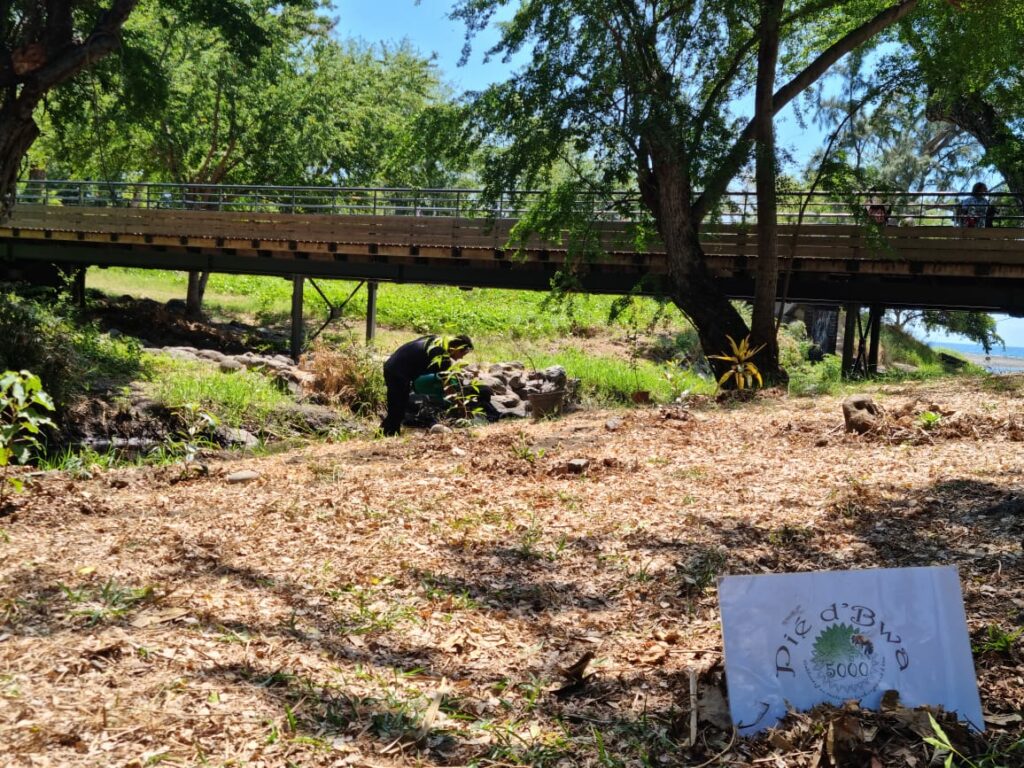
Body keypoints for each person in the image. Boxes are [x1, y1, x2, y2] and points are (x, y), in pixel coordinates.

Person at [380, 334, 473, 436]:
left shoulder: (436, 340)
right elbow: (448, 387)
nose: (460, 358)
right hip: (398, 372)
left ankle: (385, 433)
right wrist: (461, 407)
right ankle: (388, 434)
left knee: (399, 406)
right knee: (397, 408)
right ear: (455, 348)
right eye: (462, 354)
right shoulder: (443, 357)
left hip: (393, 365)